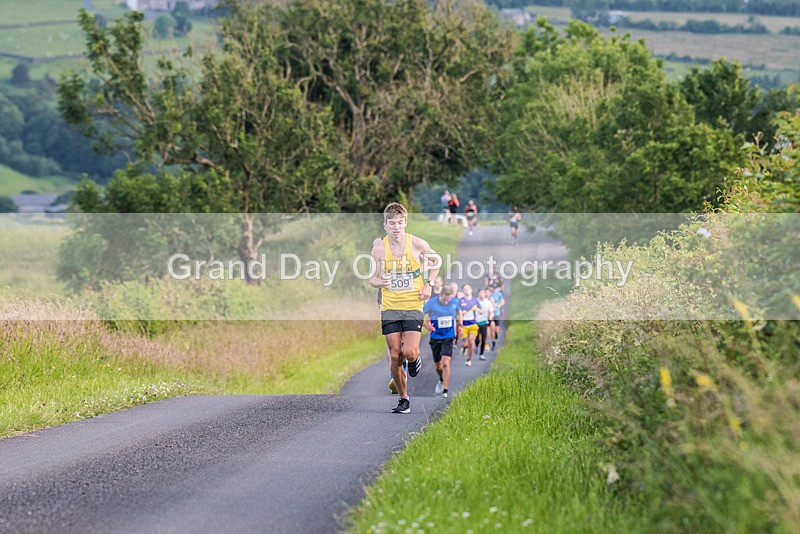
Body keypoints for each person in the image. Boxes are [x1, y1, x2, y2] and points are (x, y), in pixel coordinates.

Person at [370, 202, 441, 414]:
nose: (396, 227)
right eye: (392, 223)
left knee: (408, 352)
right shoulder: (379, 248)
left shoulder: (417, 244)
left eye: (400, 223)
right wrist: (381, 282)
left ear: (405, 223)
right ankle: (404, 399)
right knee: (395, 355)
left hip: (413, 304)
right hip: (390, 306)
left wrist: (429, 284)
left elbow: (437, 261)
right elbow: (372, 278)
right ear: (385, 225)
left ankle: (415, 359)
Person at [423, 285, 461, 398]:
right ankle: (441, 379)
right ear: (441, 295)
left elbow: (459, 312)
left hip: (449, 336)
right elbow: (419, 315)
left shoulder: (454, 302)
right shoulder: (431, 303)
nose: (447, 302)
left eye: (449, 300)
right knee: (438, 366)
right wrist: (427, 326)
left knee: (445, 362)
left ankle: (445, 390)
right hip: (435, 337)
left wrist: (460, 325)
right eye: (445, 300)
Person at [458, 284, 481, 366]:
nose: (467, 290)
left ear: (471, 290)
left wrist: (476, 309)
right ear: (463, 291)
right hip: (463, 325)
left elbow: (481, 311)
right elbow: (456, 312)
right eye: (465, 289)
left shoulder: (475, 300)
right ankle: (464, 347)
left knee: (471, 341)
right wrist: (461, 313)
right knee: (465, 343)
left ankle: (469, 359)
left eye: (468, 288)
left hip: (473, 324)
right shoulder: (460, 301)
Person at [475, 288, 494, 360]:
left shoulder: (488, 302)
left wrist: (490, 318)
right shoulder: (475, 301)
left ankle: (481, 354)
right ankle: (476, 345)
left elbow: (491, 311)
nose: (481, 294)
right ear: (478, 294)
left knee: (483, 338)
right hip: (476, 322)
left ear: (485, 294)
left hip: (484, 321)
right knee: (477, 338)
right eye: (480, 293)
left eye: (483, 293)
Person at [490, 285, 506, 350]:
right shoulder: (489, 294)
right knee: (492, 328)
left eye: (495, 288)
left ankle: (496, 333)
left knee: (496, 329)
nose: (493, 289)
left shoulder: (499, 294)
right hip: (491, 314)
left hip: (497, 313)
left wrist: (499, 305)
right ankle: (493, 342)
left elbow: (502, 301)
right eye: (492, 288)